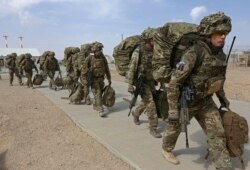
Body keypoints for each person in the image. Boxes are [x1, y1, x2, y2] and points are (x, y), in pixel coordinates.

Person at [162, 12, 233, 169]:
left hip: (205, 102)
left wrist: (222, 98)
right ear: (208, 34)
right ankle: (166, 149)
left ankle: (223, 165)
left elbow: (219, 80)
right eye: (218, 34)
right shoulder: (194, 53)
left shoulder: (221, 55)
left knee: (217, 133)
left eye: (225, 34)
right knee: (174, 129)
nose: (223, 37)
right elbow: (174, 82)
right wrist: (173, 109)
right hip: (186, 102)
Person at [125, 28, 162, 138]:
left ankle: (136, 113)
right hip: (141, 81)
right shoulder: (139, 50)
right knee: (150, 103)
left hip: (151, 80)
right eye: (153, 39)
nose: (155, 41)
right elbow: (132, 67)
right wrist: (130, 84)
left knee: (148, 101)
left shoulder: (155, 50)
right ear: (147, 40)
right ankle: (153, 128)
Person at [84, 42, 111, 117]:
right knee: (97, 92)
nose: (100, 51)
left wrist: (109, 78)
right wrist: (85, 79)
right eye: (98, 50)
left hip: (101, 79)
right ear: (94, 51)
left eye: (100, 50)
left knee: (100, 92)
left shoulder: (102, 57)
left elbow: (106, 68)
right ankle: (100, 109)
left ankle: (95, 105)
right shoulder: (89, 58)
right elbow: (84, 69)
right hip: (93, 79)